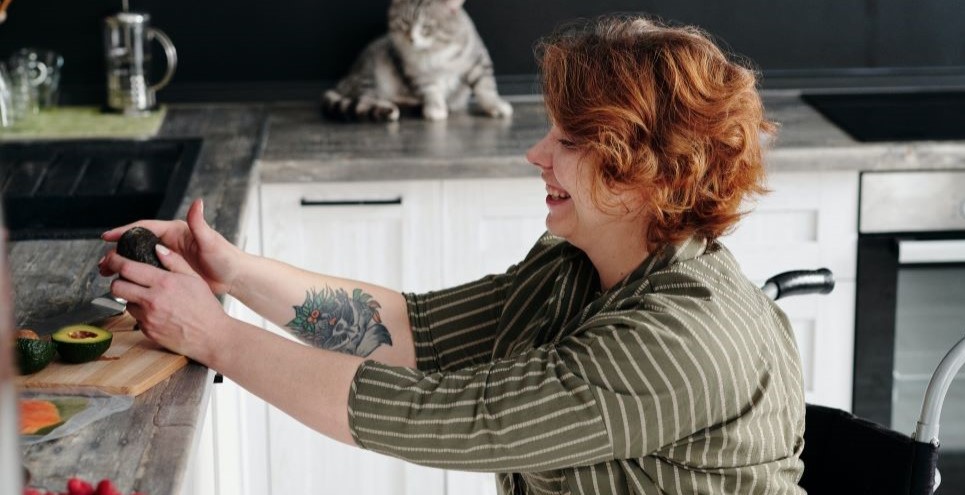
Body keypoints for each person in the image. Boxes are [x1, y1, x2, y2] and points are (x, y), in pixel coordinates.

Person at [99, 14, 804, 495]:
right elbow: (413, 334)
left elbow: (437, 416)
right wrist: (234, 272)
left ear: (640, 170)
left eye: (566, 141)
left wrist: (213, 334)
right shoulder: (577, 266)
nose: (536, 154)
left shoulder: (677, 340)